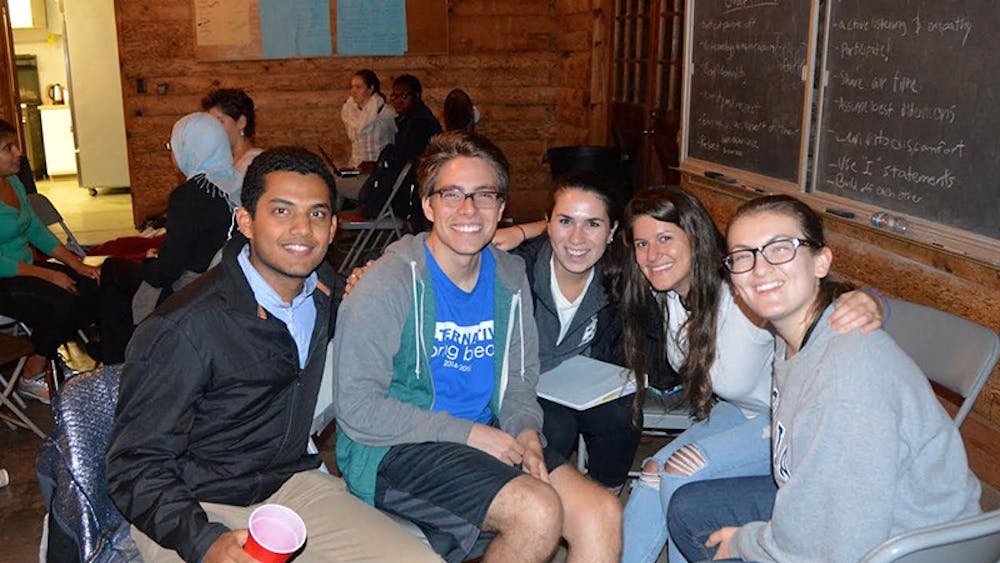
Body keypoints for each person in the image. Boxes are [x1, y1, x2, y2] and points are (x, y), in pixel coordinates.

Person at [106, 146, 439, 563]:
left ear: (334, 227)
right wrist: (203, 540)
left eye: (317, 214)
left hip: (289, 486)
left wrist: (369, 294)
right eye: (281, 211)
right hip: (193, 503)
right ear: (245, 221)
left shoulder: (324, 293)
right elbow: (133, 464)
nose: (303, 229)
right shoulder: (183, 329)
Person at [333, 131, 621, 563]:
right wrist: (469, 434)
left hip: (488, 434)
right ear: (428, 205)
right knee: (537, 511)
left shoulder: (509, 277)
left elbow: (519, 381)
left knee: (602, 512)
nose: (469, 210)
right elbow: (357, 408)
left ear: (501, 208)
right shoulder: (388, 284)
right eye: (451, 194)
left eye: (484, 194)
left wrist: (525, 430)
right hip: (393, 448)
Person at [666, 194, 981, 562]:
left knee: (720, 539)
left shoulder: (847, 378)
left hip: (900, 544)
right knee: (690, 509)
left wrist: (749, 542)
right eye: (743, 256)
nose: (760, 269)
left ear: (821, 261)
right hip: (842, 509)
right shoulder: (795, 339)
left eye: (780, 248)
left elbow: (836, 544)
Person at [620, 186, 884, 563]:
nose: (652, 254)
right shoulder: (665, 295)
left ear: (694, 237)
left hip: (781, 422)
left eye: (665, 238)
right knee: (651, 475)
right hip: (739, 411)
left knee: (679, 477)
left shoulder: (743, 292)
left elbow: (820, 301)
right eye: (642, 244)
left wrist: (872, 301)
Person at [98, 112, 239, 364]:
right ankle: (117, 352)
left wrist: (150, 263)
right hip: (225, 283)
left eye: (172, 146)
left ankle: (119, 360)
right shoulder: (240, 184)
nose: (171, 154)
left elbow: (166, 272)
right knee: (118, 287)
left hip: (192, 291)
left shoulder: (189, 197)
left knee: (112, 271)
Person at [0, 119, 101, 403]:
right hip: (4, 279)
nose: (18, 152)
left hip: (24, 271)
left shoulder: (14, 182)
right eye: (8, 148)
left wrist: (76, 264)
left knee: (89, 285)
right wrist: (48, 275)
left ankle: (50, 355)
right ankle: (31, 374)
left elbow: (35, 229)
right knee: (61, 301)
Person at [340, 69, 397, 171]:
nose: (353, 91)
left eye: (358, 87)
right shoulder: (349, 111)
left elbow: (395, 141)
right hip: (356, 168)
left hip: (380, 171)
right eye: (352, 87)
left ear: (370, 89)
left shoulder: (385, 112)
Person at [201, 88, 263, 178]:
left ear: (241, 122)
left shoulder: (255, 163)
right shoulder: (223, 162)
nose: (213, 129)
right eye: (211, 123)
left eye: (220, 121)